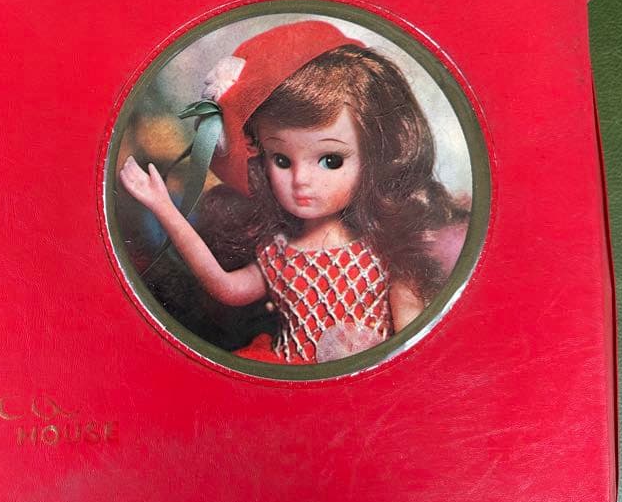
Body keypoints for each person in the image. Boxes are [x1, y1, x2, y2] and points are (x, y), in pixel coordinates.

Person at [119, 20, 469, 364]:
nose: (301, 180)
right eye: (282, 160)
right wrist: (164, 207)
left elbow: (412, 338)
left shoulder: (385, 250)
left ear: (374, 158)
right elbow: (227, 287)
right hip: (287, 371)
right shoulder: (277, 253)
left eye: (331, 160)